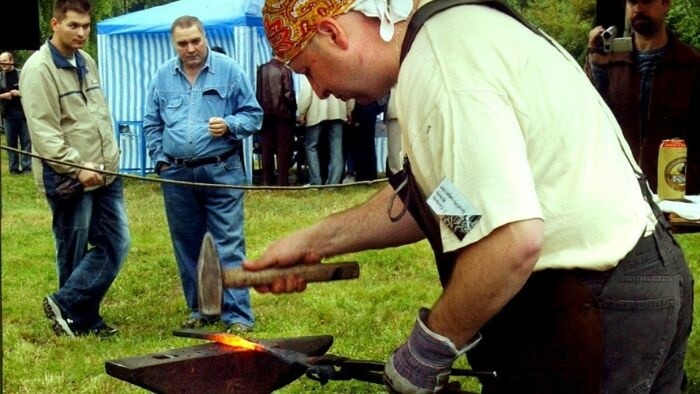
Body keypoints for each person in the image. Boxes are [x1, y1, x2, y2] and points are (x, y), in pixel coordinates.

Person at [248, 0, 694, 392]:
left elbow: (509, 242)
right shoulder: (456, 32)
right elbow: (440, 199)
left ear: (332, 33)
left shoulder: (442, 63)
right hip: (641, 279)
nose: (320, 91)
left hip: (599, 305)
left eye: (309, 70)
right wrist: (312, 241)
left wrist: (429, 347)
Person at [143, 15, 263, 333]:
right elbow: (151, 123)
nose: (190, 48)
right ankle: (201, 311)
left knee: (228, 243)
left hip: (222, 169)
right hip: (177, 175)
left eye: (195, 40)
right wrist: (161, 162)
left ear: (205, 37)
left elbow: (254, 115)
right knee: (187, 244)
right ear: (174, 44)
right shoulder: (162, 77)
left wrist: (230, 125)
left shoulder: (229, 70)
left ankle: (238, 316)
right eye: (183, 43)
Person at [20, 0, 131, 338]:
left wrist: (110, 158)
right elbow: (43, 132)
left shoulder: (87, 61)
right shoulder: (38, 69)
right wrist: (76, 166)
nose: (82, 32)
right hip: (69, 177)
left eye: (86, 25)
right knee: (73, 248)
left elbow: (98, 114)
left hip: (106, 173)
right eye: (73, 25)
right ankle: (81, 319)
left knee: (117, 241)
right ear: (54, 24)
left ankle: (66, 304)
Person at [584, 0, 700, 195]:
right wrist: (596, 66)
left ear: (665, 4)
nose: (638, 9)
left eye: (646, 1)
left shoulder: (691, 66)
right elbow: (589, 119)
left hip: (675, 193)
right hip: (619, 191)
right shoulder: (608, 63)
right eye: (632, 2)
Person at [297, 74, 353, 185]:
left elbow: (306, 93)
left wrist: (301, 112)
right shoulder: (341, 69)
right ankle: (334, 183)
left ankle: (316, 181)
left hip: (316, 112)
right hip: (338, 111)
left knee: (311, 146)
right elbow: (349, 91)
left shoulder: (312, 69)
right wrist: (349, 110)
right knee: (336, 150)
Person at [256, 55, 297, 186]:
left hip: (265, 115)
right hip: (283, 116)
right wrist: (293, 110)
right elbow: (288, 94)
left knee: (266, 149)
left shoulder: (261, 69)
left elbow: (257, 93)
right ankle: (282, 182)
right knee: (283, 150)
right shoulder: (285, 70)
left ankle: (266, 181)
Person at [0, 51, 32, 174]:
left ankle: (26, 168)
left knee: (26, 143)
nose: (3, 63)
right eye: (1, 61)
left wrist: (19, 93)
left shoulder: (22, 74)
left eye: (5, 60)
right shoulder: (0, 77)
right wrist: (4, 96)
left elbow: (32, 92)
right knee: (10, 144)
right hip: (8, 115)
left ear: (11, 60)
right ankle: (13, 169)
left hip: (23, 115)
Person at [346, 94, 387, 181]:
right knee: (369, 146)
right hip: (369, 112)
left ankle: (363, 175)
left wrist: (356, 116)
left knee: (360, 147)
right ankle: (369, 174)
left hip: (362, 114)